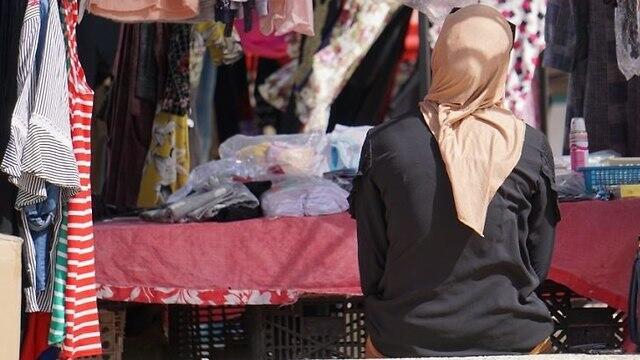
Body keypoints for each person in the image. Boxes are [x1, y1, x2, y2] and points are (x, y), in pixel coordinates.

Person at [349, 4, 560, 358]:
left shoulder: (384, 142)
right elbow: (539, 259)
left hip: (406, 336)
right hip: (513, 336)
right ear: (500, 64)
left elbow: (373, 260)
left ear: (440, 55)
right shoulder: (530, 146)